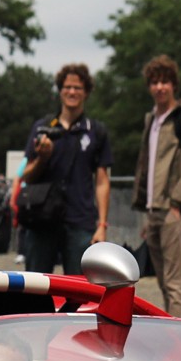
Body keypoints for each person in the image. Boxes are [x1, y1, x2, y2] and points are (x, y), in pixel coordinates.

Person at [21, 63, 112, 276]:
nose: (72, 92)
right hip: (42, 218)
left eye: (77, 88)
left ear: (86, 92)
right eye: (67, 87)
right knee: (35, 284)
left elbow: (102, 181)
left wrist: (102, 225)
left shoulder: (96, 131)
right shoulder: (43, 128)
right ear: (60, 90)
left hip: (80, 220)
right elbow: (26, 175)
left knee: (81, 286)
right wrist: (43, 158)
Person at [131, 54, 181, 316]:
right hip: (154, 211)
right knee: (162, 281)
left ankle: (179, 336)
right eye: (154, 82)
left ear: (174, 84)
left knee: (175, 283)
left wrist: (177, 204)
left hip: (174, 209)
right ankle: (171, 330)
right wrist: (147, 209)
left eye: (165, 81)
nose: (160, 87)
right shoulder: (152, 120)